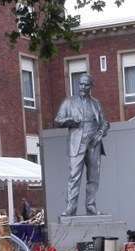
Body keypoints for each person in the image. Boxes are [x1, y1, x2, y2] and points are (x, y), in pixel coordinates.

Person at [54, 73, 110, 216]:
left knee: (93, 177)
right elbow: (58, 121)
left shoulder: (96, 104)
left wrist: (101, 132)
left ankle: (90, 205)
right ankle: (70, 208)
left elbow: (105, 123)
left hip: (93, 143)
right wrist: (72, 120)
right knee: (74, 176)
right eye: (81, 84)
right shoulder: (69, 102)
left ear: (91, 86)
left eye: (86, 85)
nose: (83, 87)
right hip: (77, 143)